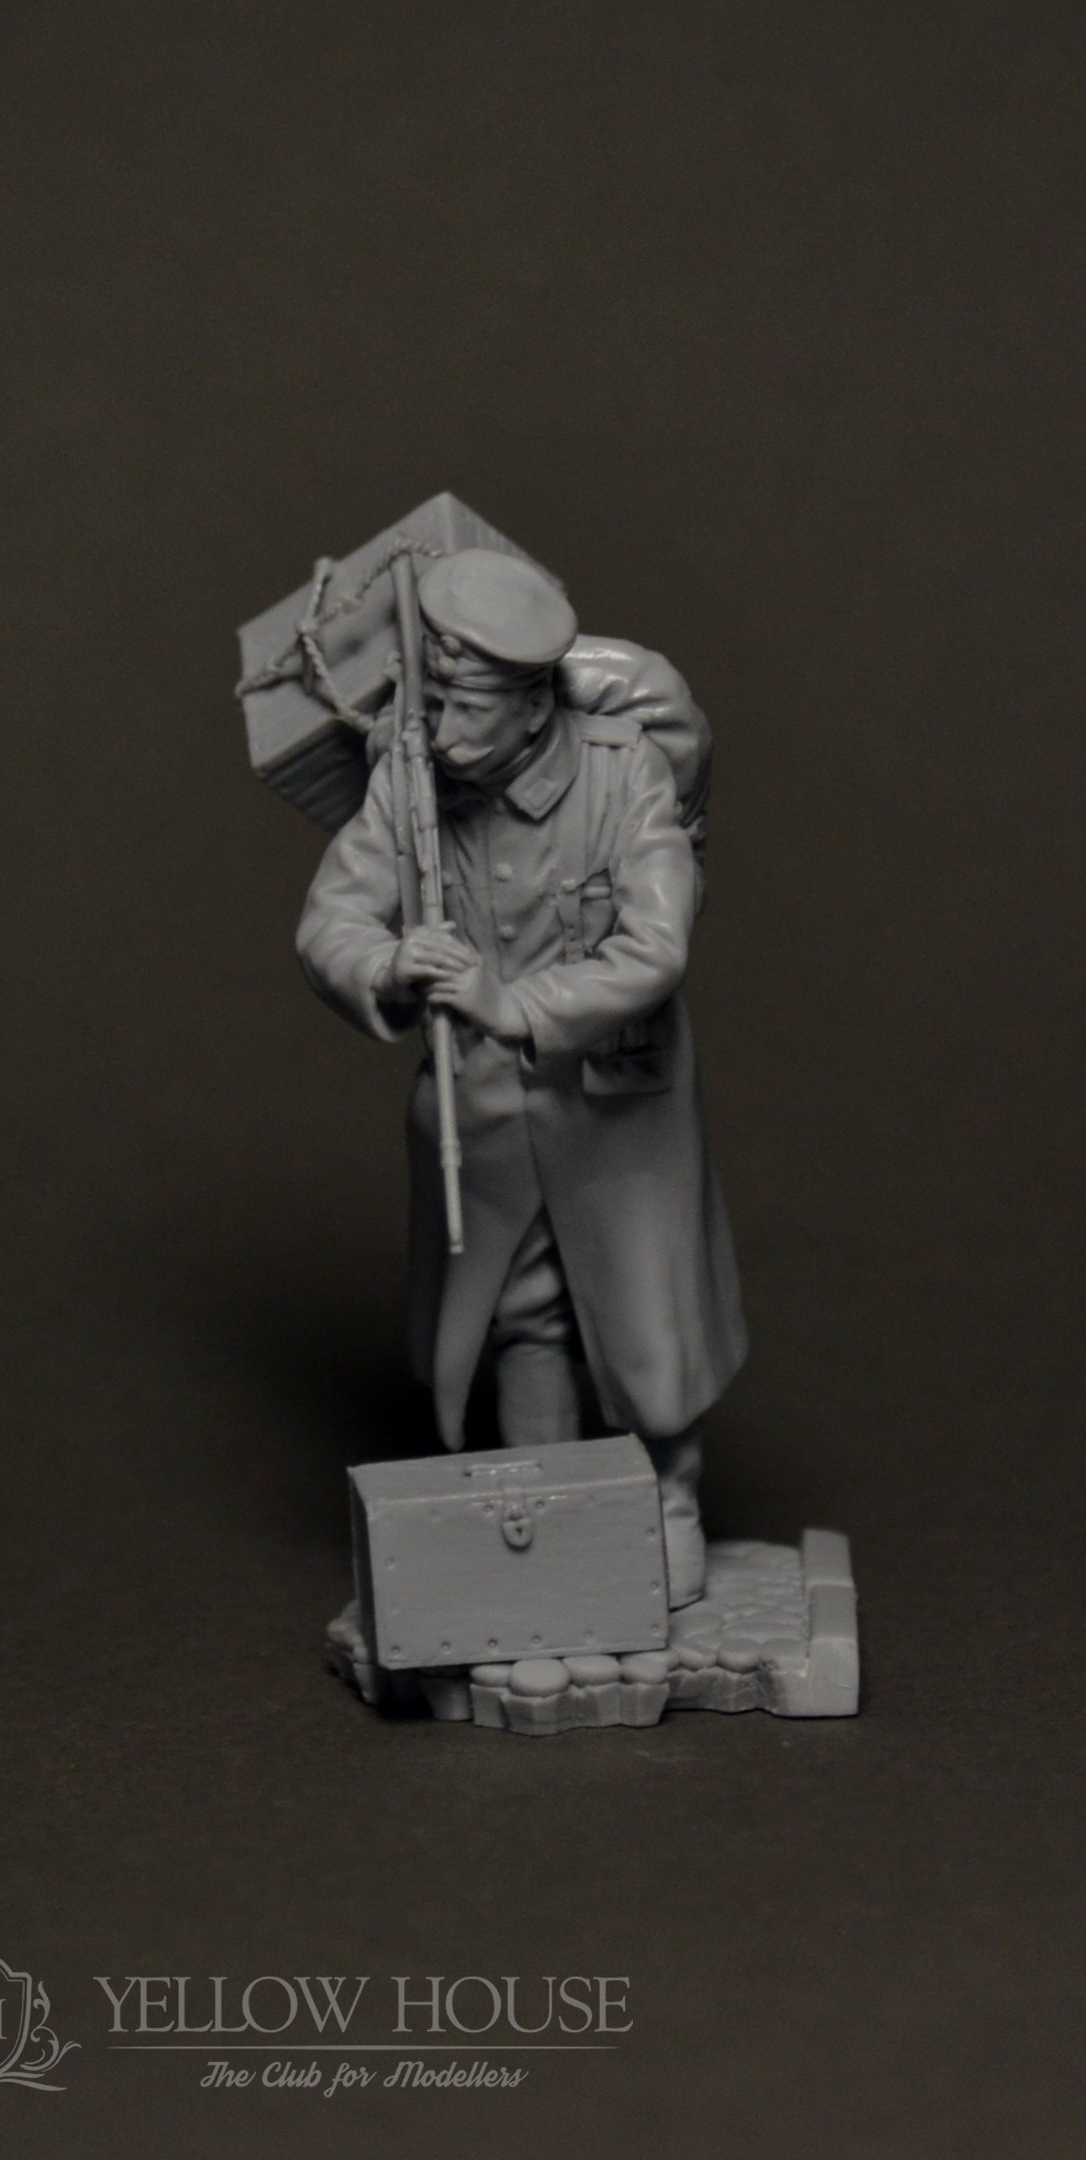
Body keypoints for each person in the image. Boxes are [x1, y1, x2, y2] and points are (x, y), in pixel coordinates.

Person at [296, 549, 746, 1605]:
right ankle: (544, 1511)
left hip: (617, 1103)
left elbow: (655, 947)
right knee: (516, 1313)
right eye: (435, 699)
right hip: (487, 1106)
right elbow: (332, 919)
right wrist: (388, 965)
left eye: (468, 707)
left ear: (535, 705)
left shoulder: (622, 772)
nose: (441, 727)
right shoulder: (411, 776)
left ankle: (669, 1501)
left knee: (644, 1315)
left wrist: (517, 1005)